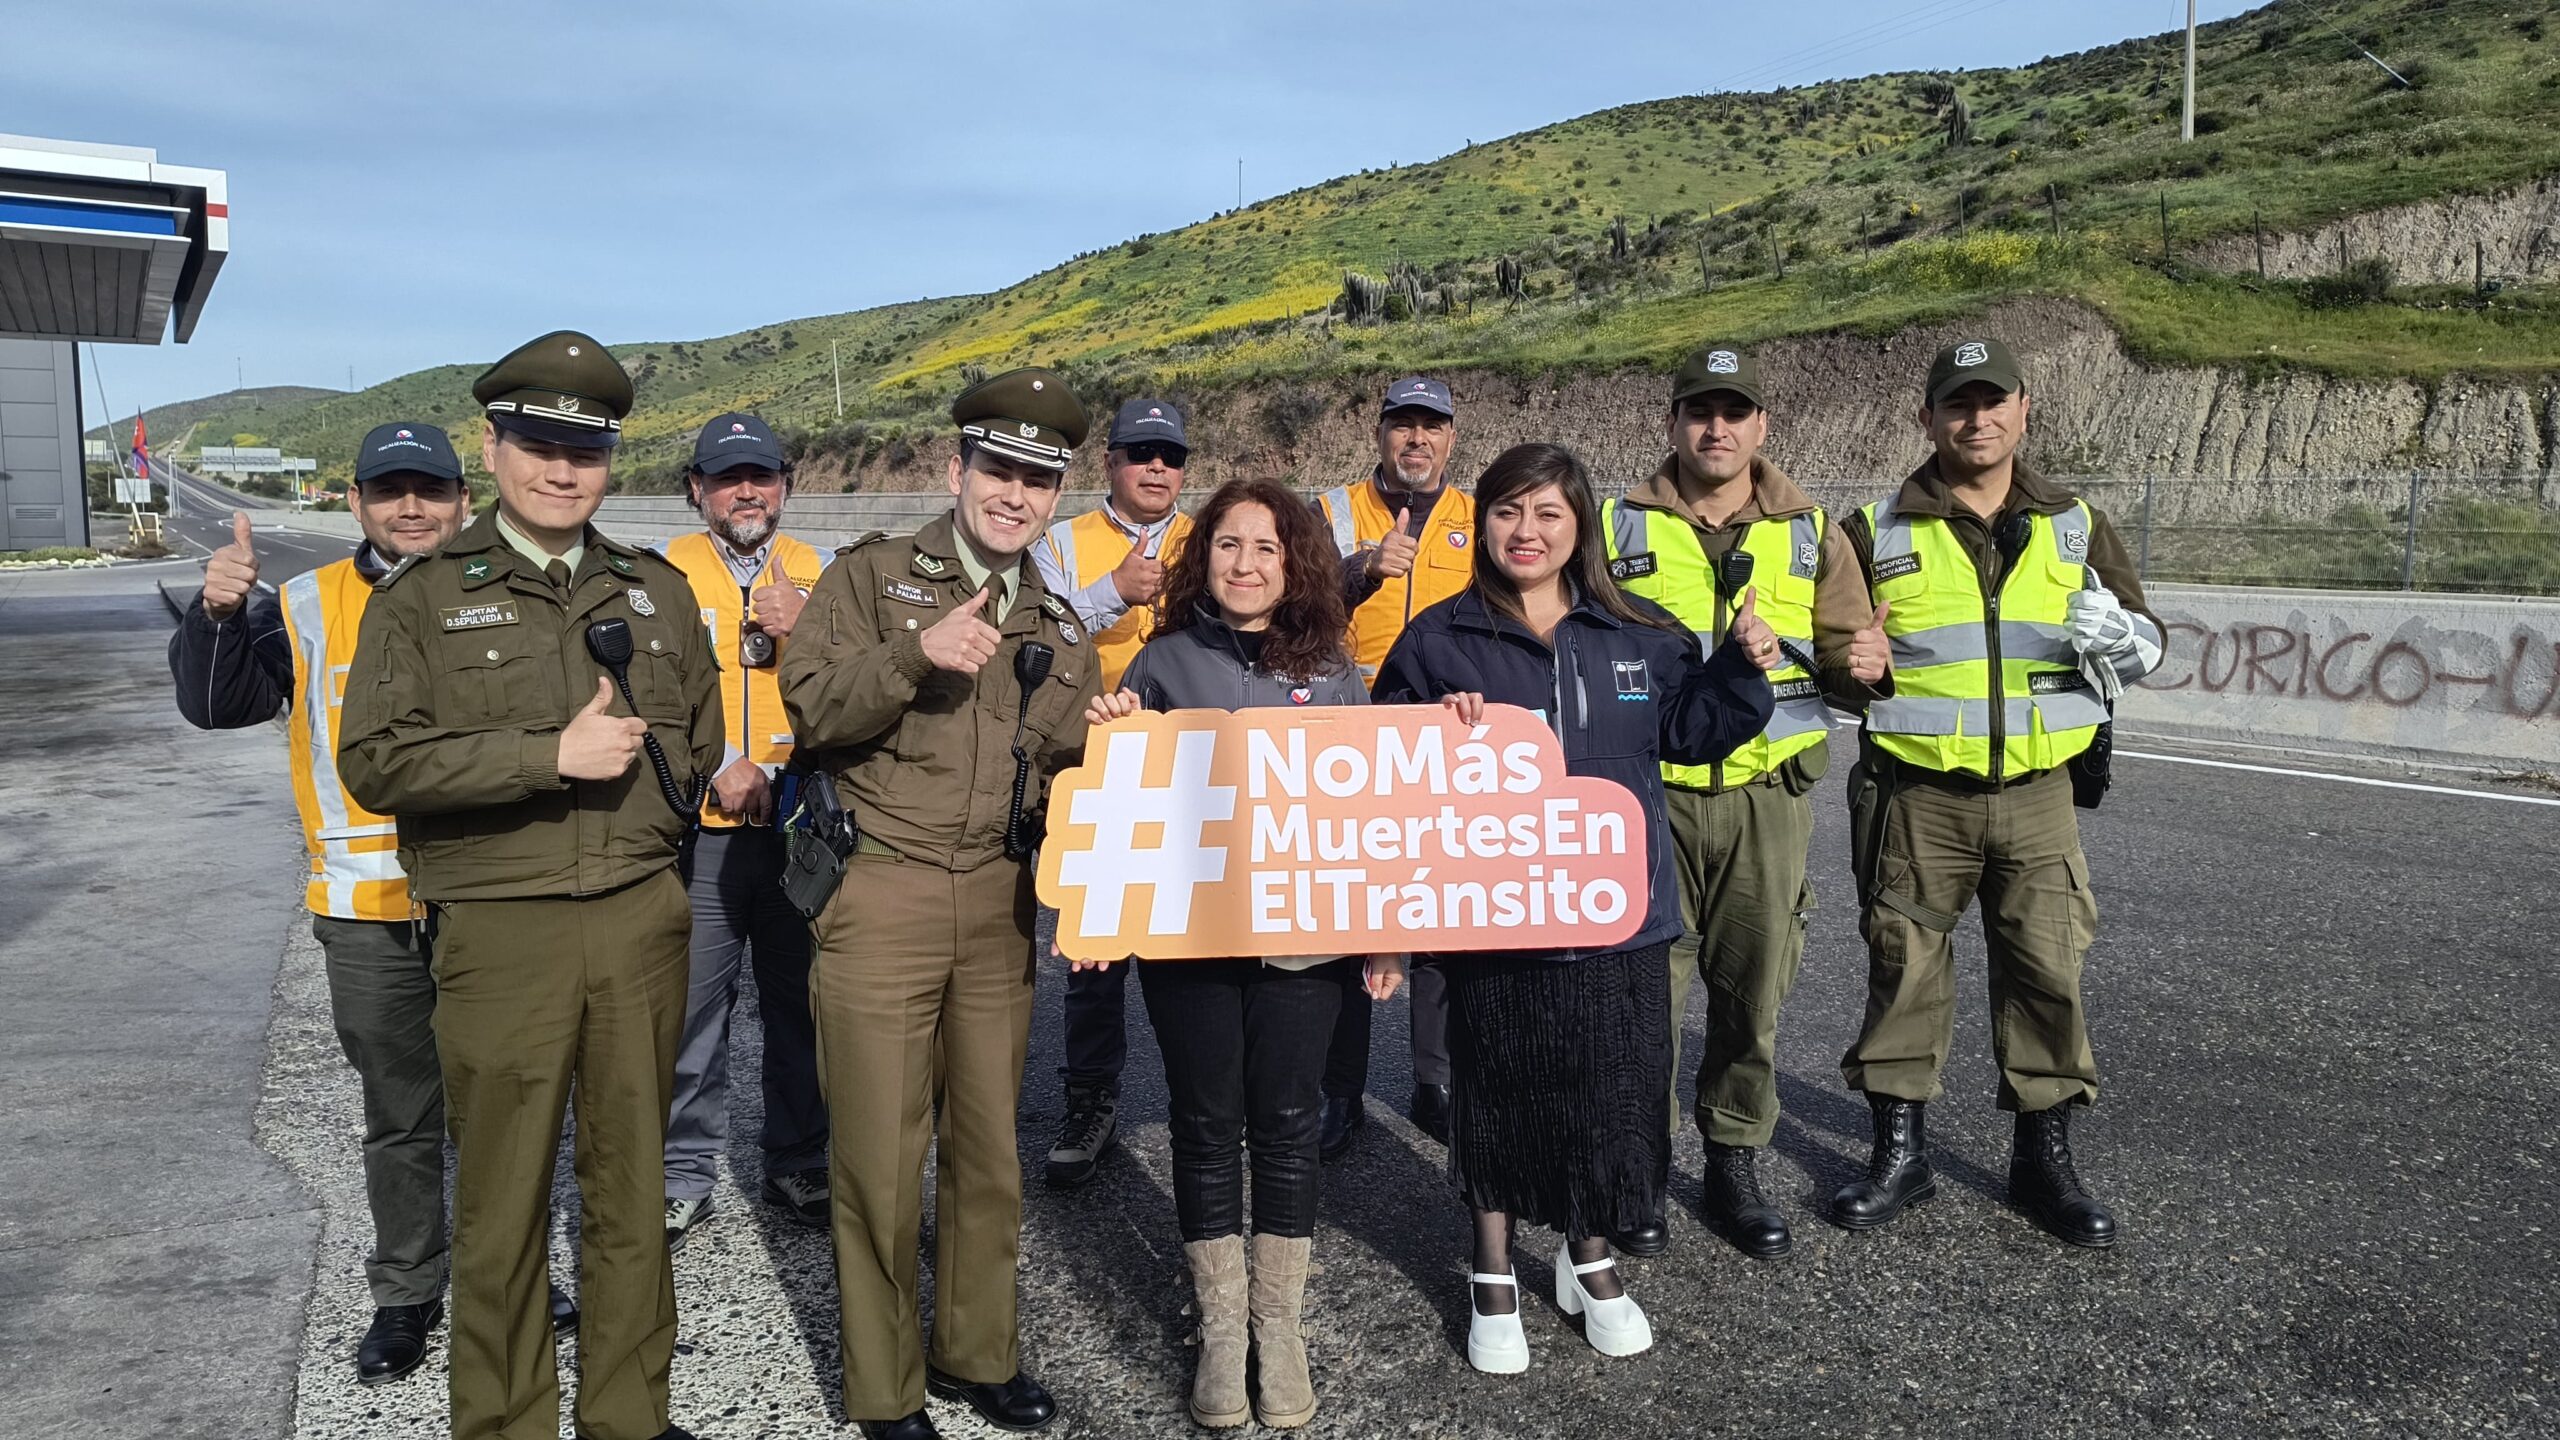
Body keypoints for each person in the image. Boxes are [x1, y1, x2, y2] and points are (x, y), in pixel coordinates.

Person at [341, 331, 722, 1440]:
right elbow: (376, 763)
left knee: (629, 1195)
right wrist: (540, 759)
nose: (563, 472)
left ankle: (627, 1417)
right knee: (504, 1205)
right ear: (493, 448)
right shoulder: (421, 597)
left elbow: (693, 738)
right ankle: (506, 1424)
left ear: (610, 462)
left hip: (641, 923)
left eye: (587, 451)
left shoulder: (655, 590)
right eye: (538, 446)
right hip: (502, 933)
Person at [168, 423, 578, 1383]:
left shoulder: (512, 595)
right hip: (367, 906)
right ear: (354, 503)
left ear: (462, 501)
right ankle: (407, 1289)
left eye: (429, 489)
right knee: (401, 1113)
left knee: (503, 1109)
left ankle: (505, 1276)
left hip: (494, 899)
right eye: (389, 490)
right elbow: (216, 706)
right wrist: (217, 617)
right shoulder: (304, 606)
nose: (411, 507)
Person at [1374, 443, 1777, 1373]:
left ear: (1580, 527)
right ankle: (1491, 1271)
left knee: (1609, 1095)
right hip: (1494, 923)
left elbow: (1691, 731)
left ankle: (1586, 1257)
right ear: (1483, 525)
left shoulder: (1639, 632)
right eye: (1508, 512)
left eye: (1548, 513)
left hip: (1618, 920)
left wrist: (1746, 665)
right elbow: (1387, 778)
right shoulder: (1439, 641)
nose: (1527, 532)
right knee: (1497, 1094)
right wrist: (1436, 731)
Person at [779, 368, 1101, 1440]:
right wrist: (913, 658)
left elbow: (1059, 775)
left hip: (1000, 901)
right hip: (882, 887)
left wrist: (1114, 738)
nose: (1015, 495)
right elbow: (812, 707)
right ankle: (885, 1388)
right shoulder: (870, 580)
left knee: (988, 1147)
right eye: (1000, 469)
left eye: (1038, 481)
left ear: (1057, 497)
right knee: (877, 1151)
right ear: (956, 468)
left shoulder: (1055, 618)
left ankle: (977, 1350)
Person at [1078, 477, 1402, 1430]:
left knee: (1291, 1122)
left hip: (1307, 950)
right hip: (1192, 947)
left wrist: (1387, 938)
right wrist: (1110, 737)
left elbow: (1372, 811)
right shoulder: (1163, 661)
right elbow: (1116, 798)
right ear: (1202, 558)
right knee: (1207, 1124)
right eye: (1227, 546)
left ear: (1294, 559)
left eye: (1265, 547)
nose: (1246, 564)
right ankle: (1225, 1333)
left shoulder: (1339, 665)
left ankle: (1282, 1327)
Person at [1832, 337, 2165, 1250]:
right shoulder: (1871, 529)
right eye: (1956, 403)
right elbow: (1832, 661)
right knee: (1904, 968)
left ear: (2023, 409)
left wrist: (2127, 640)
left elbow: (2148, 636)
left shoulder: (2075, 523)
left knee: (2048, 973)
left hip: (2039, 792)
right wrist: (1848, 667)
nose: (1975, 419)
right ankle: (1900, 1157)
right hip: (1917, 796)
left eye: (1992, 402)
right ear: (1927, 418)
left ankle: (2043, 1161)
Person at [1598, 345, 1892, 1261]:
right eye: (1698, 410)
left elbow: (1849, 651)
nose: (1715, 428)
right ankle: (1637, 1168)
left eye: (1734, 412)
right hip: (1650, 800)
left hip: (1768, 799)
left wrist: (1862, 666)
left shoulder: (1812, 532)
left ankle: (1733, 1157)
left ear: (1762, 425)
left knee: (1754, 993)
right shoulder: (1615, 526)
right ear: (1672, 422)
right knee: (1648, 998)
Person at [654, 411, 833, 1249]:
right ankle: (684, 1173)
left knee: (801, 1007)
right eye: (728, 478)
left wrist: (807, 631)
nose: (747, 491)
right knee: (695, 1008)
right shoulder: (662, 574)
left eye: (761, 475)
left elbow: (852, 692)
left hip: (801, 832)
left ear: (786, 486)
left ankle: (798, 1158)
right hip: (707, 826)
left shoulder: (825, 573)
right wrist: (724, 762)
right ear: (698, 490)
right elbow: (649, 698)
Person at [1029, 397, 1196, 1190]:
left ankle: (1206, 1101)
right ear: (1110, 464)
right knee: (1095, 954)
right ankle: (1089, 1100)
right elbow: (1032, 637)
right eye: (1141, 454)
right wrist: (1108, 593)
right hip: (1097, 774)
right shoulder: (1061, 543)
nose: (1157, 468)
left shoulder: (1207, 537)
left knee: (1201, 943)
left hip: (1196, 774)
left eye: (1170, 456)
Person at [1312, 375, 1476, 1156]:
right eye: (1402, 425)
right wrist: (1362, 569)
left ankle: (1434, 1080)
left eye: (1431, 427)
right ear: (1378, 434)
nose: (1417, 439)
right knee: (1350, 915)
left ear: (1451, 437)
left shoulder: (1479, 519)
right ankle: (1337, 1090)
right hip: (1350, 727)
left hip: (1443, 733)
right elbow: (1295, 610)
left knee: (1439, 913)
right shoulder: (1332, 512)